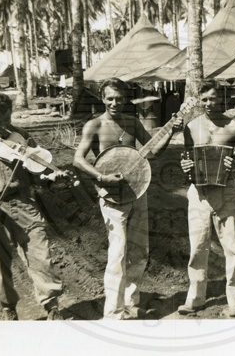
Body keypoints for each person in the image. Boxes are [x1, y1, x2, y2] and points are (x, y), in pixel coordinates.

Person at [73, 78, 183, 320]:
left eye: (120, 98)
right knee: (118, 253)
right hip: (112, 197)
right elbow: (78, 159)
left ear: (126, 99)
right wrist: (101, 176)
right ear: (102, 99)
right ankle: (113, 313)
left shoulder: (132, 123)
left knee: (139, 251)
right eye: (110, 98)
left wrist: (172, 131)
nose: (115, 103)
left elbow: (153, 152)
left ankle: (131, 303)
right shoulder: (94, 125)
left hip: (137, 193)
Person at [0, 93, 66, 321]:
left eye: (8, 118)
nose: (5, 125)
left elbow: (38, 171)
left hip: (25, 204)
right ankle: (9, 309)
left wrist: (50, 177)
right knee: (1, 263)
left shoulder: (22, 136)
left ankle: (52, 308)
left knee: (41, 256)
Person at [178, 80, 235, 317]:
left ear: (221, 98)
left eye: (213, 98)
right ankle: (195, 298)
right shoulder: (191, 127)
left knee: (232, 247)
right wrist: (185, 164)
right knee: (198, 247)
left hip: (227, 190)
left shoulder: (234, 127)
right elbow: (187, 156)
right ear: (200, 100)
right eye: (205, 99)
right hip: (199, 192)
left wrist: (234, 161)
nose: (209, 103)